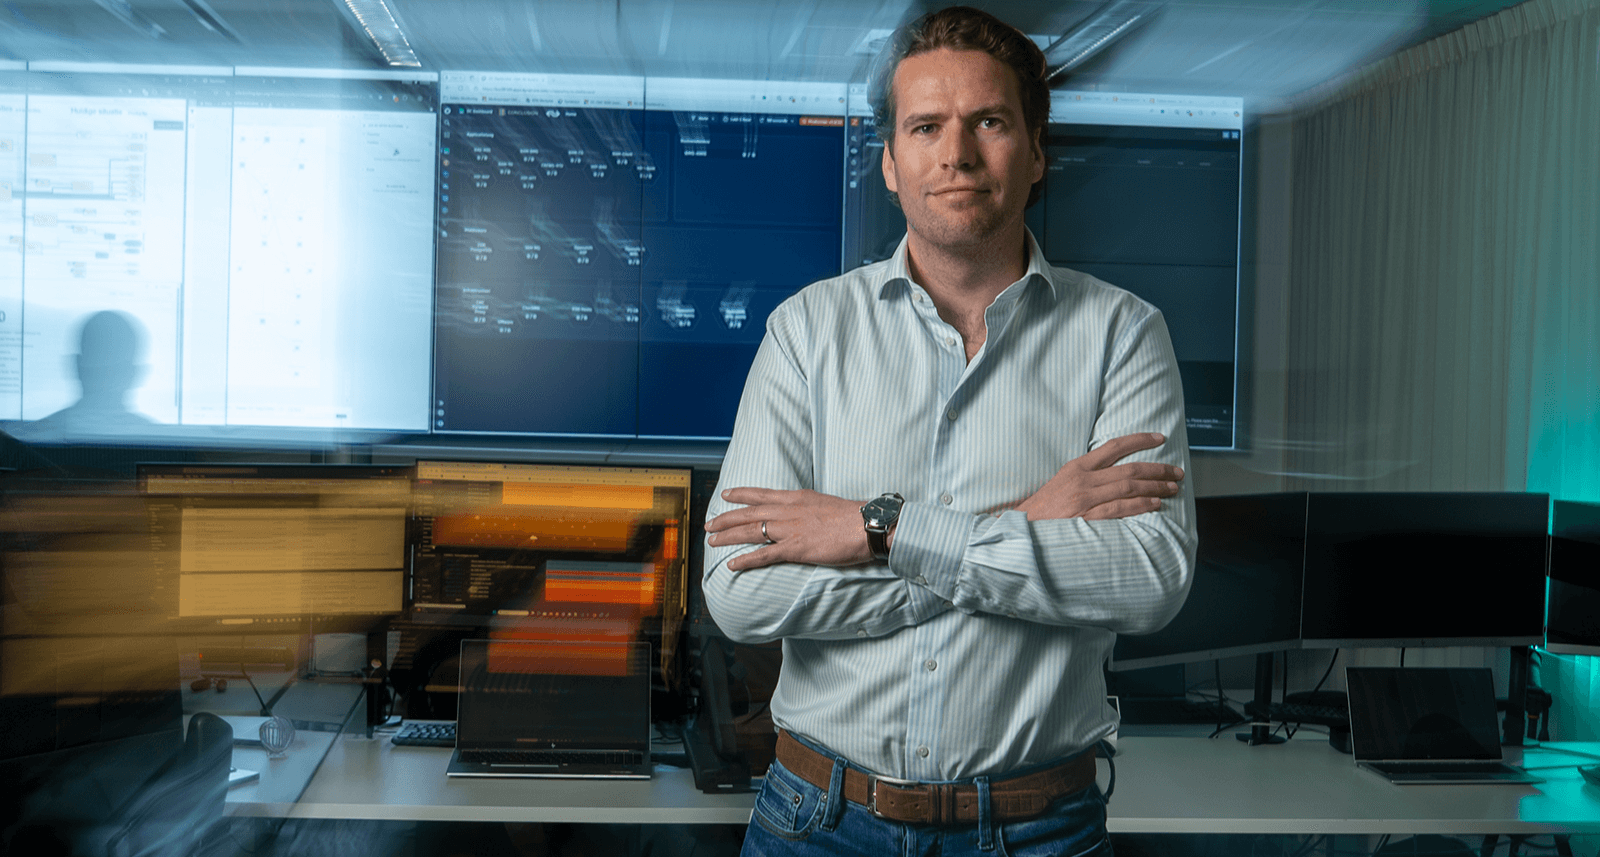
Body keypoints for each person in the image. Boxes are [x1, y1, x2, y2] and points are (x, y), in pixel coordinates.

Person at [702, 6, 1196, 856]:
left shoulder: (1124, 334)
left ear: (1036, 153)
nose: (957, 153)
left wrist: (873, 530)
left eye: (989, 122)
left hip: (1041, 828)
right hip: (819, 822)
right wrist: (1032, 520)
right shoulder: (806, 332)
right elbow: (742, 594)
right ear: (891, 163)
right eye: (926, 126)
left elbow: (1150, 579)